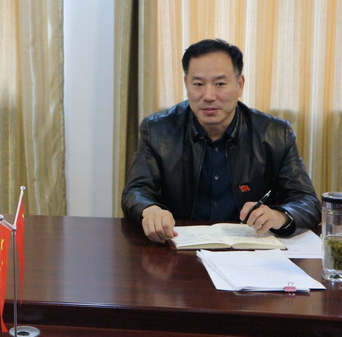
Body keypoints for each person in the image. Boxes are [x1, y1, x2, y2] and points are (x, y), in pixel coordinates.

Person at [122, 38, 321, 243]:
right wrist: (150, 210)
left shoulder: (275, 133)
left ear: (239, 85)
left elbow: (306, 201)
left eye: (220, 84)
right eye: (198, 84)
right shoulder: (158, 130)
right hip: (179, 244)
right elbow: (136, 191)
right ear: (186, 84)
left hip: (249, 248)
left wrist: (280, 216)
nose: (209, 95)